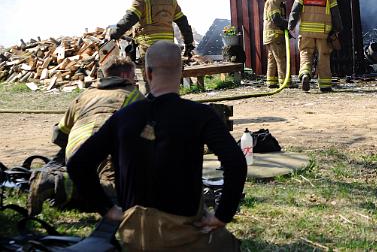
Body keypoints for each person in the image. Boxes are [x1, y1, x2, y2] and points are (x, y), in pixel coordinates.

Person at [67, 41, 247, 251]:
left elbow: (78, 164)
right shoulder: (200, 115)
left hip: (134, 234)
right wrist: (222, 215)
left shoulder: (123, 117)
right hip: (185, 231)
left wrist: (106, 209)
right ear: (181, 73)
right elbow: (235, 163)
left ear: (147, 73)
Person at [27, 57, 143, 215]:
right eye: (132, 76)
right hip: (106, 152)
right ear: (124, 76)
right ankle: (56, 183)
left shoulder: (83, 96)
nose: (134, 80)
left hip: (75, 150)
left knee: (89, 178)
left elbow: (59, 132)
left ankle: (64, 180)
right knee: (120, 194)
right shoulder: (134, 96)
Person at [108, 0, 194, 60]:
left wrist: (113, 35)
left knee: (148, 73)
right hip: (169, 48)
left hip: (149, 49)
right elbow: (183, 23)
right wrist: (189, 43)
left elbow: (129, 19)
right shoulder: (172, 0)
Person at [288, 0, 343, 93]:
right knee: (323, 56)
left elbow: (295, 10)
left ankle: (306, 74)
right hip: (323, 31)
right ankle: (324, 85)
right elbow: (335, 12)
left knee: (306, 53)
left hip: (306, 31)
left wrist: (291, 25)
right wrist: (338, 28)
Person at [263, 0, 290, 88]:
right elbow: (276, 19)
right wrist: (289, 24)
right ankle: (285, 83)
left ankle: (271, 82)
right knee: (281, 59)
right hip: (275, 35)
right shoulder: (273, 0)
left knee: (272, 60)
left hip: (271, 35)